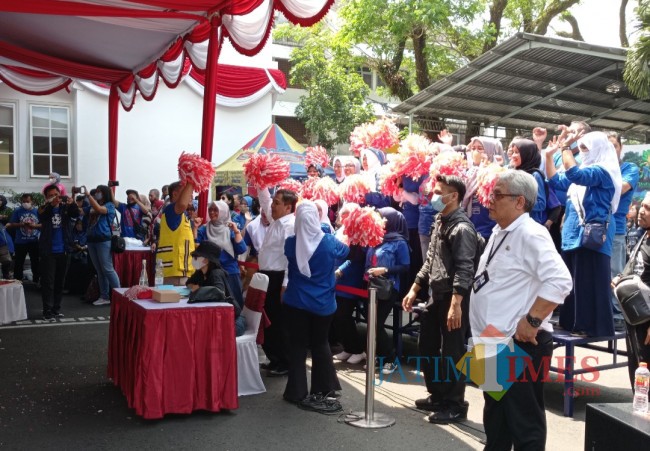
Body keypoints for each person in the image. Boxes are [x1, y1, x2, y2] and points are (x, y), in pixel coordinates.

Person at [470, 170, 572, 450]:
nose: (490, 199)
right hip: (491, 342)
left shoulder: (531, 233)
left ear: (520, 202)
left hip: (518, 344)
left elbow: (561, 280)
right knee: (496, 421)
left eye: (498, 194)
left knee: (524, 425)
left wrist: (532, 319)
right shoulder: (499, 231)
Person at [402, 175, 479, 424]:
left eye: (438, 192)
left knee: (453, 352)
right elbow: (431, 259)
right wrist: (415, 288)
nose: (433, 197)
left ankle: (455, 404)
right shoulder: (440, 220)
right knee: (428, 346)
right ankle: (437, 395)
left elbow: (465, 268)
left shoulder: (462, 228)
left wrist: (456, 304)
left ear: (453, 196)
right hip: (437, 294)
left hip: (453, 298)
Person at [546, 131, 622, 337]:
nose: (582, 152)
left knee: (590, 279)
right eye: (580, 149)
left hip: (594, 232)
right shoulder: (585, 170)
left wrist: (565, 148)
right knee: (570, 280)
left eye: (585, 148)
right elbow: (555, 181)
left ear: (599, 147)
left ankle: (591, 326)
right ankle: (571, 322)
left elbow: (574, 175)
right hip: (572, 233)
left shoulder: (603, 171)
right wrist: (549, 156)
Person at [282, 201, 349, 406]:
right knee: (321, 344)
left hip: (296, 302)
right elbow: (346, 252)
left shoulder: (291, 243)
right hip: (324, 303)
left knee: (298, 346)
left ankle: (296, 391)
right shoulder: (329, 242)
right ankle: (325, 387)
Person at [257, 187, 298, 376]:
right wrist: (260, 181)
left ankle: (285, 361)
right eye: (273, 202)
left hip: (278, 278)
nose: (272, 206)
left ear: (288, 207)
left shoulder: (289, 226)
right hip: (266, 276)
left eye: (277, 203)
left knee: (278, 322)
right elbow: (265, 202)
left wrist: (285, 284)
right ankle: (275, 358)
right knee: (267, 321)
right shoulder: (278, 221)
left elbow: (291, 257)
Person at [365, 207, 410, 374]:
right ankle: (379, 357)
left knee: (376, 323)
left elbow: (405, 267)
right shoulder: (376, 238)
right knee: (371, 323)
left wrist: (384, 270)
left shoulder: (400, 242)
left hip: (388, 288)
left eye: (381, 218)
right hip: (372, 286)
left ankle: (391, 359)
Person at [612, 192, 650, 388]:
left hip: (647, 320)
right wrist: (620, 279)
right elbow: (636, 266)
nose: (642, 211)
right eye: (642, 206)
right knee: (637, 371)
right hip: (634, 316)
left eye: (648, 209)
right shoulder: (644, 234)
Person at [608, 131, 639, 331]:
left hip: (617, 229)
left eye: (614, 146)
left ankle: (618, 315)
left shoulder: (630, 168)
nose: (611, 150)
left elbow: (621, 188)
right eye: (607, 147)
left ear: (621, 149)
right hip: (592, 230)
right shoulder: (597, 167)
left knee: (614, 273)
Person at [332, 203, 367, 365]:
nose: (341, 216)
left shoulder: (358, 234)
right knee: (337, 316)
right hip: (337, 279)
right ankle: (348, 347)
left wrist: (340, 270)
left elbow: (355, 259)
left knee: (343, 315)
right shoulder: (339, 231)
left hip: (350, 280)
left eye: (346, 214)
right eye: (341, 213)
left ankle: (358, 350)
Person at [186, 241, 246, 336]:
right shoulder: (200, 273)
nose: (193, 260)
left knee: (209, 334)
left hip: (235, 320)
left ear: (206, 260)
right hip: (220, 319)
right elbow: (188, 283)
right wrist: (195, 287)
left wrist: (199, 289)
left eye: (196, 257)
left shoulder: (216, 273)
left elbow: (218, 292)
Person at [38, 184, 79, 320]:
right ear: (46, 197)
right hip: (48, 250)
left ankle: (56, 308)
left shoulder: (65, 207)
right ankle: (47, 310)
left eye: (56, 195)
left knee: (60, 282)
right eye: (50, 196)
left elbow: (76, 214)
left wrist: (72, 203)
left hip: (64, 249)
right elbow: (42, 218)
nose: (54, 198)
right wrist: (51, 205)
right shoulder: (43, 208)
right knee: (48, 282)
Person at [196, 201, 247, 308]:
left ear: (223, 212)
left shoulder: (230, 229)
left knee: (234, 307)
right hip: (211, 275)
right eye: (210, 209)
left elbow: (241, 249)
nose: (212, 212)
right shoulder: (204, 229)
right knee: (213, 308)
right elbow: (197, 249)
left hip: (230, 274)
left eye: (216, 210)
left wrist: (237, 232)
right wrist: (195, 228)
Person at [509, 138, 560, 227]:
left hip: (530, 225)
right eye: (513, 152)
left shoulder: (535, 175)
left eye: (517, 152)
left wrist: (517, 201)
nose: (513, 155)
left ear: (527, 154)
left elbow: (541, 204)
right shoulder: (514, 173)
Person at [84, 185, 121, 306]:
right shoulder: (92, 205)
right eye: (96, 192)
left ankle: (119, 295)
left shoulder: (110, 205)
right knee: (100, 270)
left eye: (100, 192)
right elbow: (81, 210)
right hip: (91, 240)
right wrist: (74, 195)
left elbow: (100, 209)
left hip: (103, 240)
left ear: (105, 193)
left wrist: (89, 195)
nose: (97, 194)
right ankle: (104, 296)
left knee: (107, 268)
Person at [462, 137, 503, 241]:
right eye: (473, 148)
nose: (475, 151)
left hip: (489, 228)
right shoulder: (469, 172)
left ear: (490, 151)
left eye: (480, 148)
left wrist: (485, 170)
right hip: (471, 226)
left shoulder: (498, 173)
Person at [157, 181, 195, 285]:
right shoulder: (170, 209)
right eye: (187, 191)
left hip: (182, 271)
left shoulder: (184, 215)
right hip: (173, 272)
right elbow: (182, 204)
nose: (191, 195)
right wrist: (191, 180)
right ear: (175, 194)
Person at [8, 193, 41, 284]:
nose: (25, 203)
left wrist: (34, 226)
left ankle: (36, 280)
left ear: (32, 202)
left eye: (27, 201)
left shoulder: (37, 211)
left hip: (34, 241)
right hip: (20, 241)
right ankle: (18, 280)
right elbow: (11, 224)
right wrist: (22, 224)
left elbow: (43, 225)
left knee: (35, 261)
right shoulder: (17, 211)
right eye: (23, 201)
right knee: (19, 262)